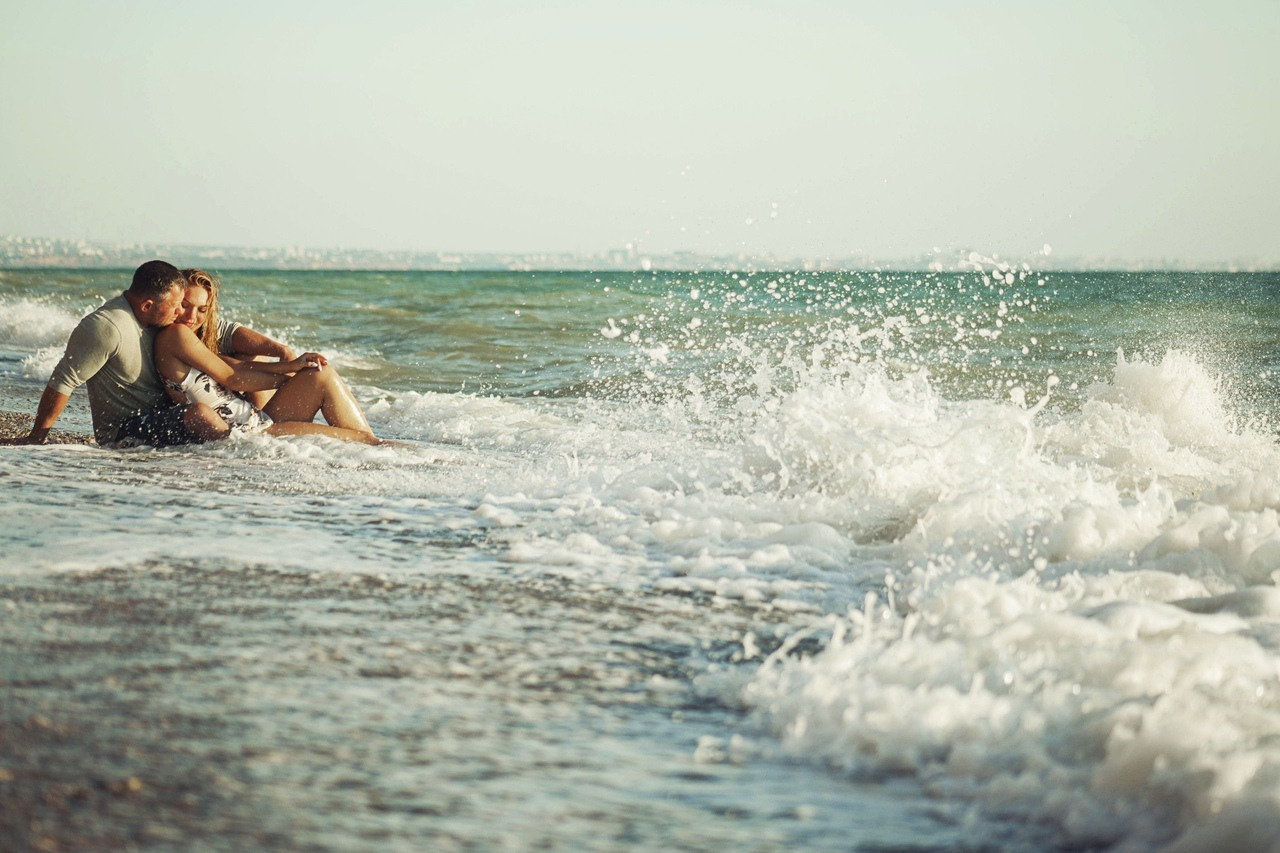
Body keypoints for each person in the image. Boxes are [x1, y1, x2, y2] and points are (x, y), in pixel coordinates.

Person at [2, 260, 231, 446]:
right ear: (147, 305)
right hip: (126, 431)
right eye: (176, 305)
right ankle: (237, 451)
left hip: (170, 413)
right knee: (201, 414)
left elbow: (226, 332)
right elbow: (64, 379)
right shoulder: (106, 327)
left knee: (248, 363)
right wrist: (37, 437)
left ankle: (255, 444)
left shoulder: (159, 320)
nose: (181, 312)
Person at [152, 269, 382, 445]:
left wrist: (295, 372)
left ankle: (389, 454)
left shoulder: (191, 341)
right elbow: (234, 378)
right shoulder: (176, 334)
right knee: (363, 440)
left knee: (320, 377)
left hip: (256, 421)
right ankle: (404, 457)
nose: (192, 316)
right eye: (185, 306)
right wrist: (293, 371)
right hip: (253, 432)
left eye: (202, 309)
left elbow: (241, 368)